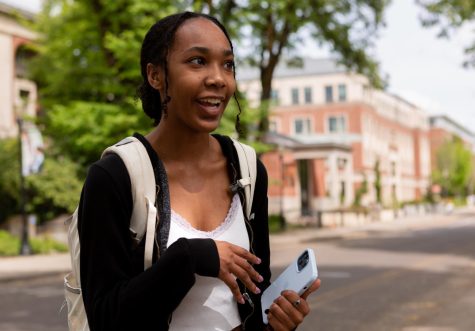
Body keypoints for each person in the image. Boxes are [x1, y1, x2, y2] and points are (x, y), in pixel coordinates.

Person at [78, 11, 321, 331]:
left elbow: (254, 296)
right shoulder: (115, 178)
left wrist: (275, 322)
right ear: (156, 75)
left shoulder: (247, 170)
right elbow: (105, 318)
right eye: (197, 61)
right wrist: (190, 258)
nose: (218, 78)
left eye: (228, 64)